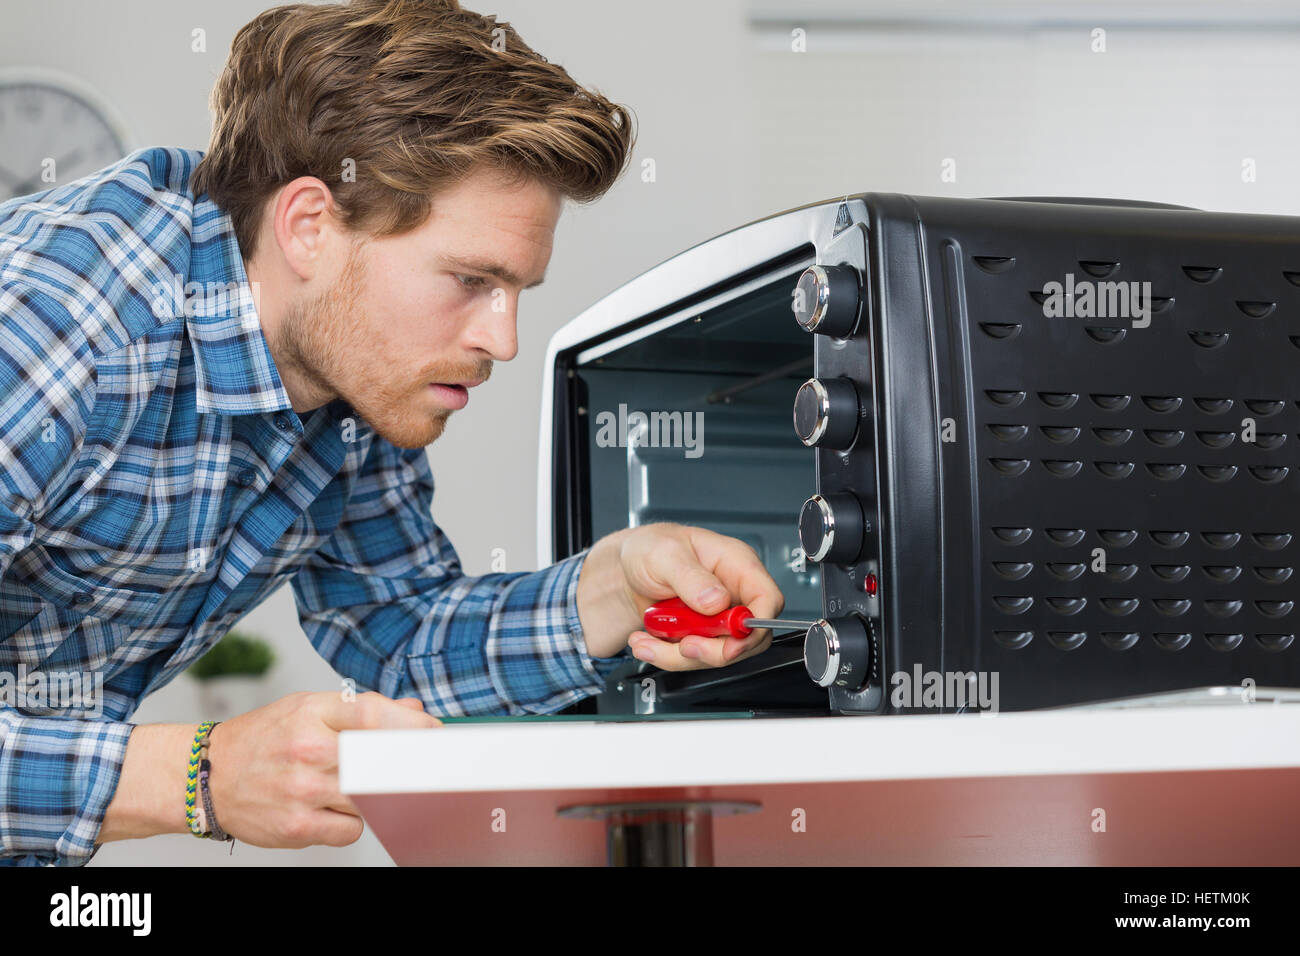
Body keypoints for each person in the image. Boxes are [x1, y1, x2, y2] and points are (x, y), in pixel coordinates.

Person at [0, 0, 783, 866]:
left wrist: (613, 589)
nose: (503, 340)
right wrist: (196, 776)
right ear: (309, 226)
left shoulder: (348, 390)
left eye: (518, 290)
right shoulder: (57, 324)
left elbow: (401, 639)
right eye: (470, 279)